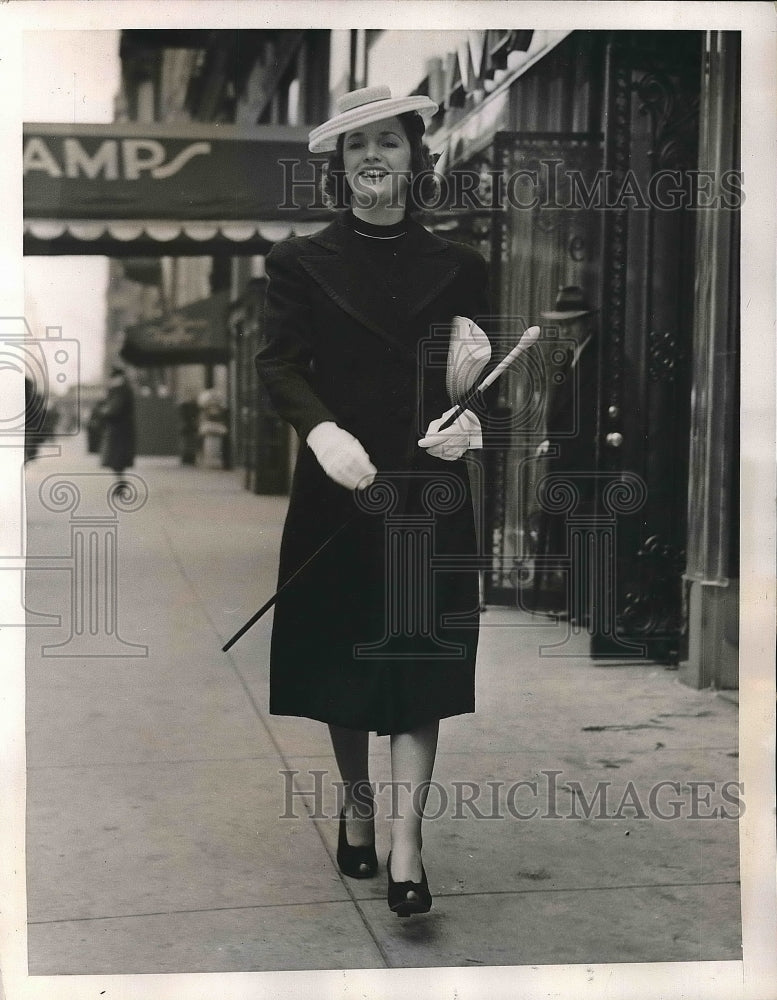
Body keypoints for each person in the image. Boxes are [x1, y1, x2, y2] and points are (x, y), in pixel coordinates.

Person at [255, 85, 491, 917]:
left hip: (429, 494)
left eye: (387, 142)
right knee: (345, 664)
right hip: (340, 492)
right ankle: (357, 803)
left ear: (414, 156)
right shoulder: (298, 263)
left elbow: (481, 372)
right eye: (356, 147)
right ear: (338, 166)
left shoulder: (461, 266)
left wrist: (471, 424)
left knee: (420, 667)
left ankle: (405, 843)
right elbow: (279, 364)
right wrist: (321, 434)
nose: (372, 160)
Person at [533, 285, 599, 622]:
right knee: (563, 534)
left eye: (571, 323)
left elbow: (588, 420)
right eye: (561, 324)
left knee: (578, 535)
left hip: (582, 465)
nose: (565, 330)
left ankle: (583, 607)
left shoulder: (598, 362)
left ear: (587, 323)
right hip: (564, 462)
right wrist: (551, 440)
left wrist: (560, 443)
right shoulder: (572, 357)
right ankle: (572, 604)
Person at [98, 366, 136, 494]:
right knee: (118, 459)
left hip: (117, 429)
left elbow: (113, 409)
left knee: (116, 458)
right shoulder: (125, 389)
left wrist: (104, 412)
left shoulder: (119, 390)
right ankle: (120, 482)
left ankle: (120, 483)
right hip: (123, 428)